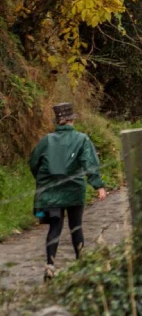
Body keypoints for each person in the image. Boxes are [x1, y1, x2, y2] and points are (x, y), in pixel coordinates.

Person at [29, 103, 107, 281]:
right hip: (74, 190)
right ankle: (82, 265)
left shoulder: (46, 140)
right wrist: (98, 186)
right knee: (76, 226)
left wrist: (43, 180)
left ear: (58, 121)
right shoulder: (82, 139)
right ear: (71, 120)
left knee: (55, 226)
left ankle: (50, 265)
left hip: (50, 190)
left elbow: (33, 162)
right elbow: (90, 164)